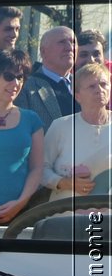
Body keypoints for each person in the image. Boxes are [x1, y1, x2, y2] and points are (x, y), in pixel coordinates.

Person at [0, 49, 45, 223]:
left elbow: (37, 168)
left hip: (21, 215)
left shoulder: (31, 119)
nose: (16, 83)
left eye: (20, 77)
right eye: (9, 76)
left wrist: (20, 203)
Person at [44, 61, 111, 201]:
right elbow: (40, 169)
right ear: (77, 95)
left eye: (104, 84)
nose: (99, 90)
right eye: (92, 86)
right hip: (65, 213)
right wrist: (64, 183)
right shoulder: (60, 126)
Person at [19, 25, 78, 127]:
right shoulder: (25, 87)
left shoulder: (84, 84)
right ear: (43, 51)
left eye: (73, 42)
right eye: (62, 42)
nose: (69, 47)